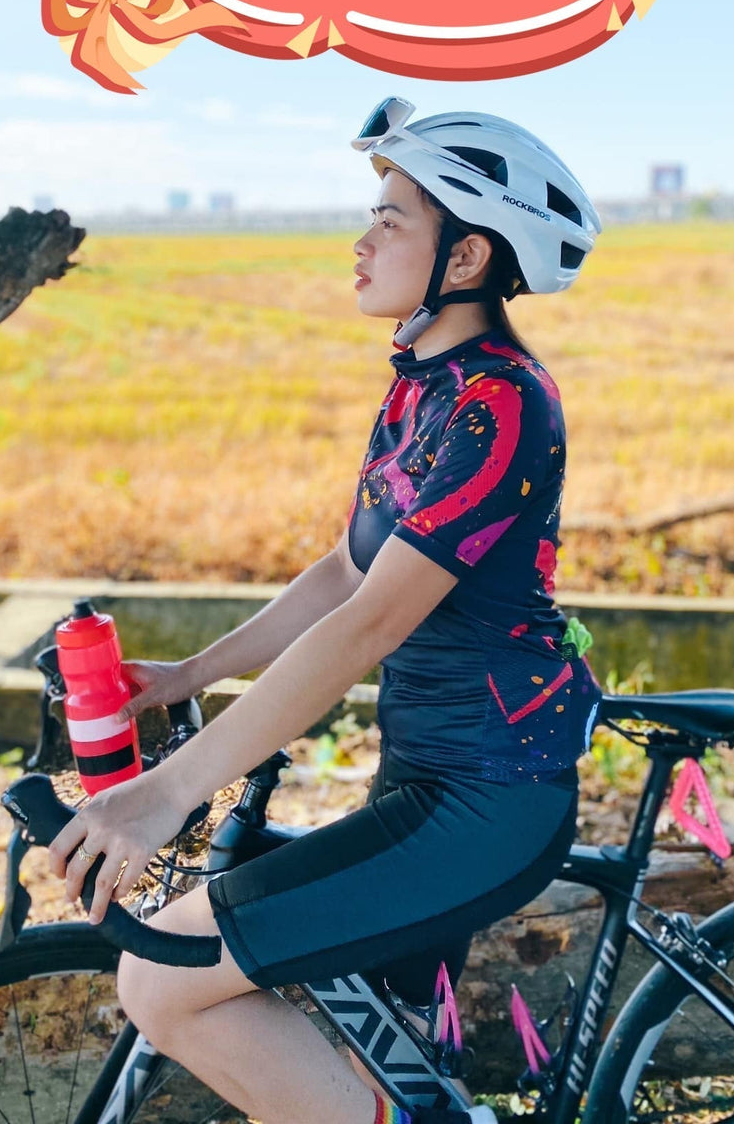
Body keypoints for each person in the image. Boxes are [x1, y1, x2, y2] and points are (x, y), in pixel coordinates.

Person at [47, 97, 605, 1124]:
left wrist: (167, 791)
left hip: (488, 797)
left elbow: (367, 628)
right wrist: (184, 679)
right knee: (353, 1050)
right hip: (426, 779)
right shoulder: (423, 387)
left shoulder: (502, 401)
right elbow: (345, 576)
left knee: (163, 974)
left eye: (393, 217)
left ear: (469, 258)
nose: (362, 239)